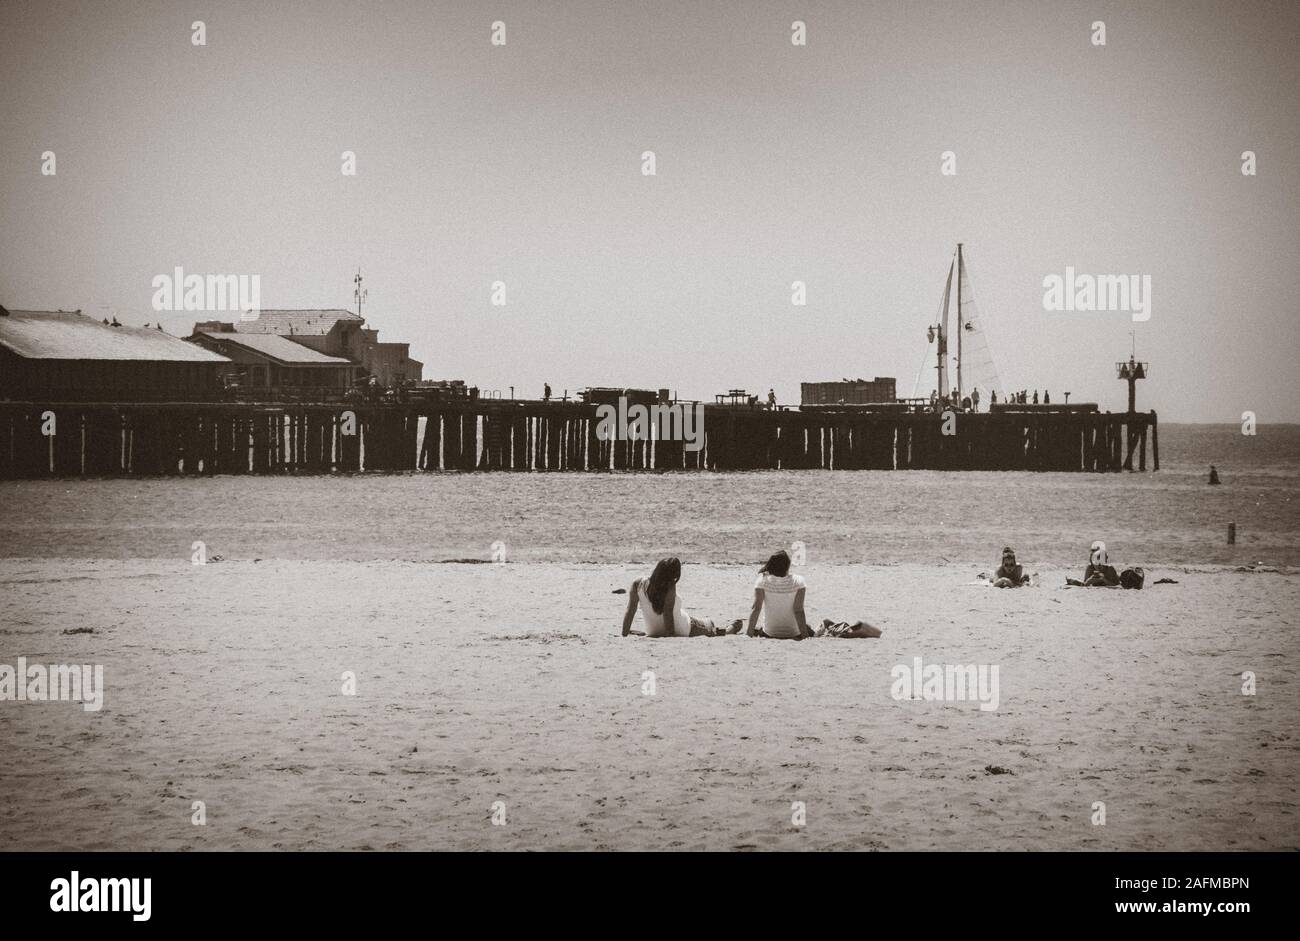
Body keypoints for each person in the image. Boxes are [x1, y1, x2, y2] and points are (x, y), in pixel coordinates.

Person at [620, 557, 737, 637]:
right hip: (684, 628)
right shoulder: (669, 587)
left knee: (701, 622)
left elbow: (630, 611)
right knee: (710, 624)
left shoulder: (638, 584)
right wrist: (670, 636)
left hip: (652, 631)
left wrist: (624, 634)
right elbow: (667, 615)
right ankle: (729, 630)